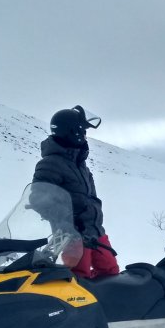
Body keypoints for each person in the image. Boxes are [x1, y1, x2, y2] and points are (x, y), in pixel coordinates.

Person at [33, 105, 120, 279]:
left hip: (95, 231)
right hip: (72, 235)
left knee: (110, 273)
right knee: (79, 279)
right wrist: (67, 221)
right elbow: (38, 197)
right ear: (74, 132)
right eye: (83, 131)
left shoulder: (80, 165)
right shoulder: (50, 163)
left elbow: (90, 197)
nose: (85, 136)